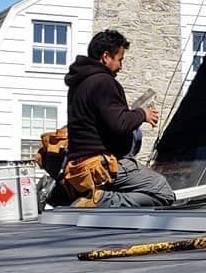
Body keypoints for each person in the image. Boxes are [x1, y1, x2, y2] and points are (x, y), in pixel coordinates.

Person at [62, 29, 176, 208]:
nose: (121, 66)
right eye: (120, 59)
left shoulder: (79, 83)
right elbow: (119, 124)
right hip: (103, 166)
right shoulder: (104, 81)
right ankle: (100, 200)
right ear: (106, 57)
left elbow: (99, 119)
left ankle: (98, 199)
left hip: (80, 167)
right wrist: (142, 114)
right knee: (163, 192)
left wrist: (125, 111)